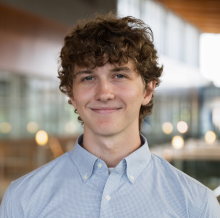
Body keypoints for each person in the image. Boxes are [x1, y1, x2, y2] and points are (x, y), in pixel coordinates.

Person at [0, 13, 219, 218]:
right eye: (88, 77)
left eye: (119, 75)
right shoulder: (22, 200)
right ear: (71, 94)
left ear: (148, 90)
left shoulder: (197, 206)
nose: (104, 93)